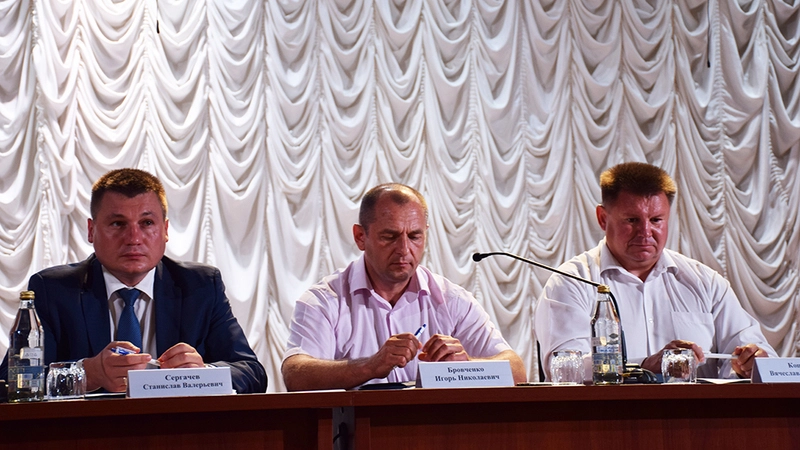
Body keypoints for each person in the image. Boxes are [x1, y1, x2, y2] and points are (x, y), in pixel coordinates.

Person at [0, 169, 267, 394]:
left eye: (147, 223)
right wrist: (86, 374)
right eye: (118, 224)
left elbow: (252, 373)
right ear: (91, 231)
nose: (134, 238)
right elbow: (11, 383)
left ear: (165, 230)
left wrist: (203, 374)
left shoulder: (200, 286)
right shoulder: (53, 290)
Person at [535, 162, 775, 381]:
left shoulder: (705, 282)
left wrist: (750, 363)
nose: (645, 232)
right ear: (603, 218)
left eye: (656, 220)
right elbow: (566, 369)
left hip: (699, 414)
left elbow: (760, 355)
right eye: (632, 220)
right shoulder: (571, 282)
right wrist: (643, 366)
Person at [282, 183, 526, 391]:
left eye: (414, 236)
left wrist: (466, 366)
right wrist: (371, 366)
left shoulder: (451, 299)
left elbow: (516, 371)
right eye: (390, 237)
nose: (404, 249)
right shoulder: (325, 300)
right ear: (360, 237)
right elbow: (295, 374)